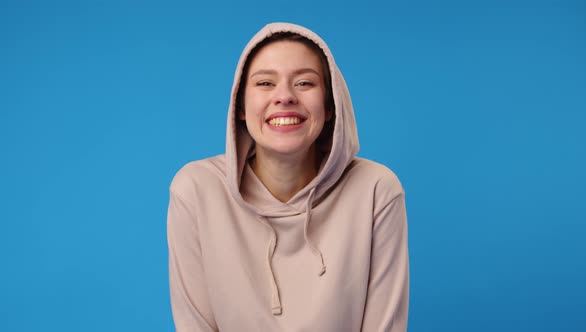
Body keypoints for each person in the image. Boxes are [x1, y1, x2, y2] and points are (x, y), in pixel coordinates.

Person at [167, 22, 409, 331]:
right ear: (240, 106)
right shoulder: (196, 189)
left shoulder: (376, 190)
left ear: (330, 104)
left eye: (305, 83)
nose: (284, 96)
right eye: (265, 83)